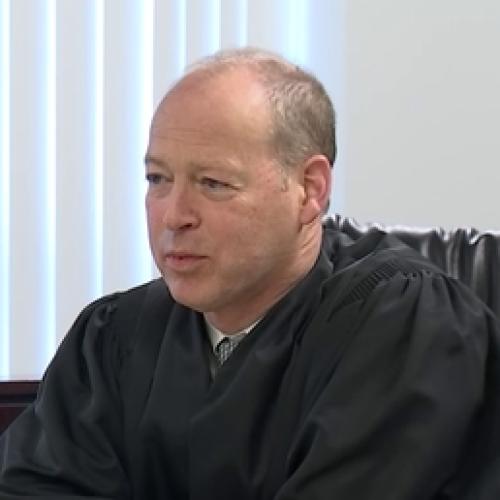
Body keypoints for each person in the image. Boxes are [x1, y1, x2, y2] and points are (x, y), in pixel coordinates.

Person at [0, 47, 499, 500]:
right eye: (158, 178)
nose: (174, 215)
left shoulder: (404, 324)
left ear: (310, 189)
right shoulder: (113, 338)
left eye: (213, 183)